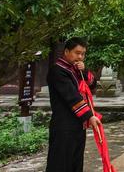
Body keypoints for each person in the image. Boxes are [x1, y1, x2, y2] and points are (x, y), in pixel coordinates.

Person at [46, 37, 100, 172]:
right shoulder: (58, 71)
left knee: (76, 162)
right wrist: (89, 116)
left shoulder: (76, 70)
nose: (80, 57)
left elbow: (92, 85)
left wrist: (85, 70)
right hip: (64, 125)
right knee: (60, 163)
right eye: (77, 53)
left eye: (83, 54)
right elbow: (72, 97)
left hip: (77, 125)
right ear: (66, 51)